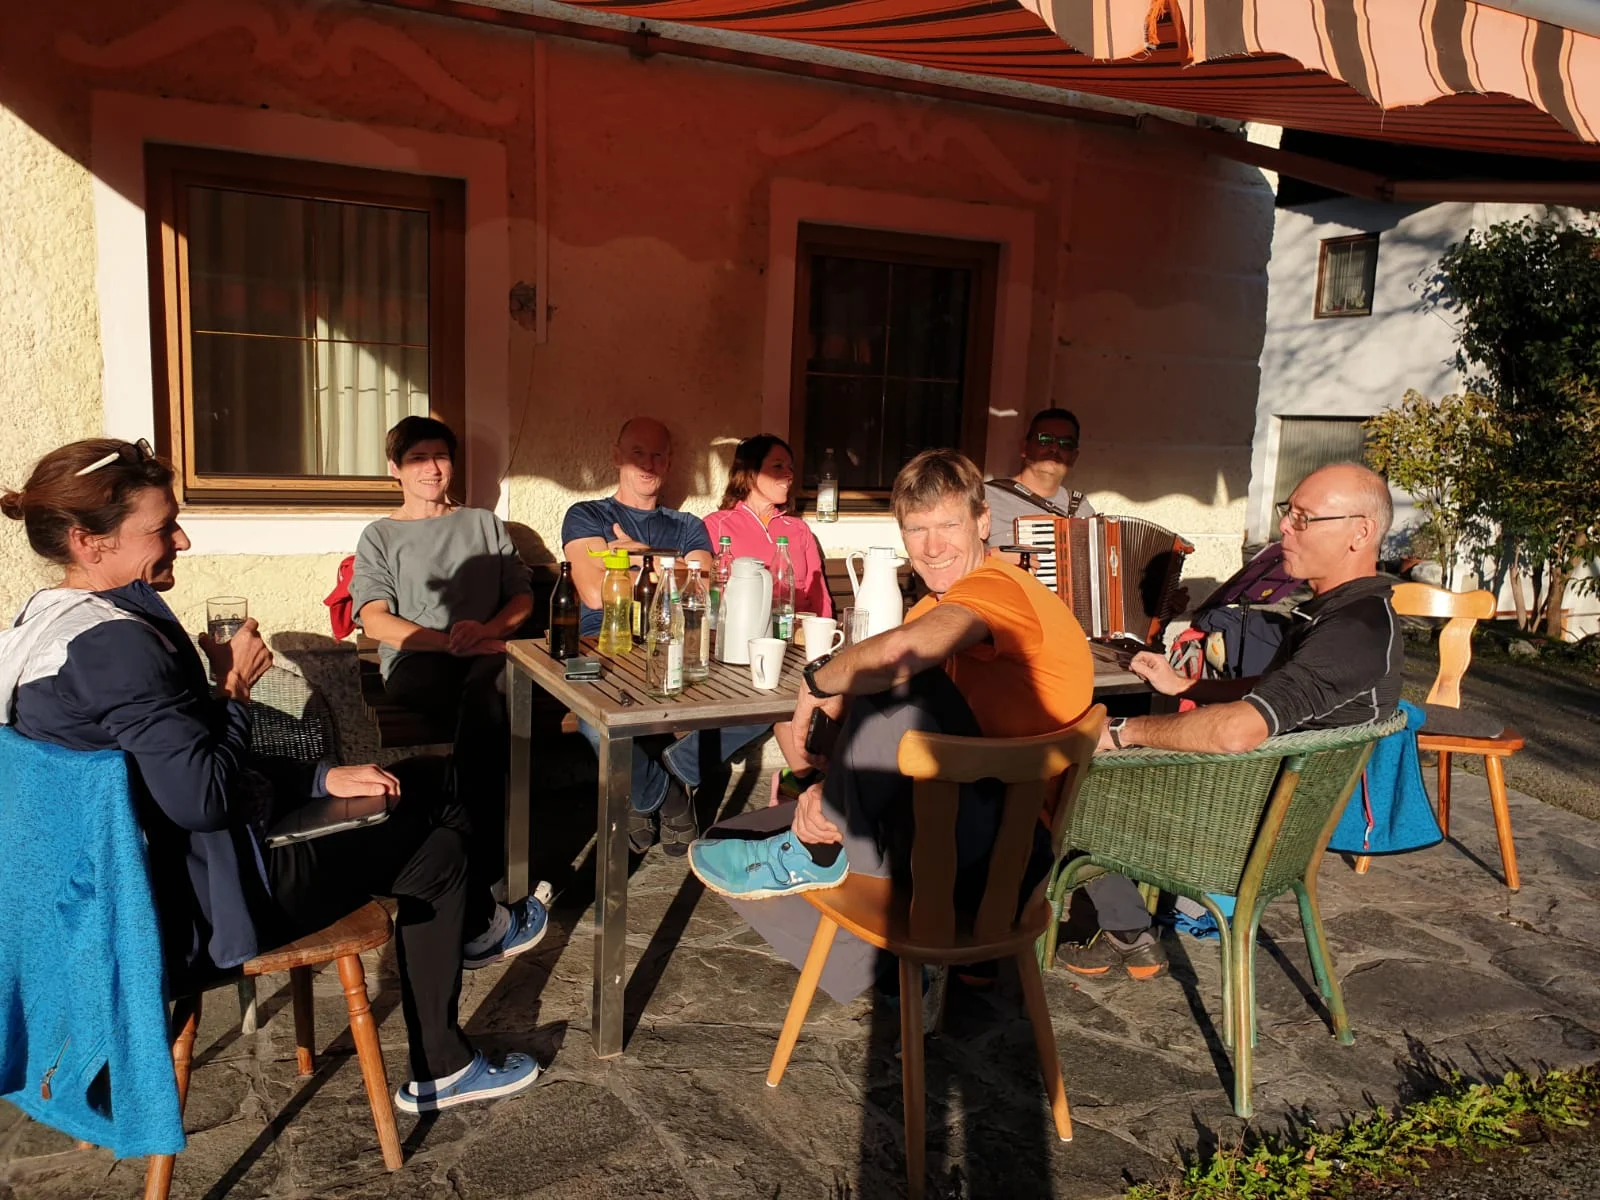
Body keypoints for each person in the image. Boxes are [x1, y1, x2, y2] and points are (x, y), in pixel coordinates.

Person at [0, 439, 548, 1113]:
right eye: (162, 528)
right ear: (89, 542)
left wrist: (319, 779)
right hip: (201, 905)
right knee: (438, 844)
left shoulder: (46, 622)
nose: (182, 540)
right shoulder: (116, 648)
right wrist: (233, 689)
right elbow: (203, 797)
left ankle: (471, 952)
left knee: (425, 782)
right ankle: (461, 993)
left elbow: (173, 758)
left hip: (143, 885)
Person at [687, 449, 1096, 1001]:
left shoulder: (1001, 588)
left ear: (982, 522)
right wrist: (823, 785)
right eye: (916, 529)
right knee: (725, 842)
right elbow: (888, 720)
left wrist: (819, 680)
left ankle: (873, 929)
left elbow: (901, 656)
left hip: (1002, 859)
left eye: (948, 525)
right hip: (939, 835)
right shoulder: (932, 609)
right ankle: (898, 966)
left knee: (902, 678)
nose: (933, 546)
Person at [1056, 462, 1402, 980]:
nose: (1284, 527)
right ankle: (1121, 926)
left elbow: (1240, 730)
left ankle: (1109, 931)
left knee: (1055, 773)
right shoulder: (1348, 613)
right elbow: (1277, 689)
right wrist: (1186, 686)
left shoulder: (1352, 632)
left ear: (1361, 532)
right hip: (1268, 813)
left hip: (1232, 831)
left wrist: (1121, 734)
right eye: (1289, 512)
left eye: (1304, 518)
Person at [561, 417, 763, 855]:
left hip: (679, 645)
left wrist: (637, 557)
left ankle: (674, 770)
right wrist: (671, 567)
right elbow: (594, 592)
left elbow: (703, 587)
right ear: (617, 456)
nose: (648, 464)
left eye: (657, 455)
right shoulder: (587, 515)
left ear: (669, 463)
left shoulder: (687, 524)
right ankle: (665, 796)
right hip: (607, 646)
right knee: (595, 722)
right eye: (638, 453)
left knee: (764, 698)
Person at [351, 416, 534, 901]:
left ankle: (471, 855)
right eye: (417, 459)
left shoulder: (483, 524)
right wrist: (449, 642)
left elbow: (522, 597)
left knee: (489, 694)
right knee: (488, 709)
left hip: (487, 654)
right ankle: (489, 860)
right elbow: (375, 620)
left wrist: (486, 632)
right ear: (395, 468)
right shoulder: (380, 536)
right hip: (419, 659)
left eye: (441, 457)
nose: (432, 469)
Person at [703, 434, 832, 620]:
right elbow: (712, 595)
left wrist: (823, 630)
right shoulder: (717, 525)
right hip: (744, 628)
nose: (789, 474)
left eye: (790, 468)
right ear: (750, 473)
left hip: (798, 631)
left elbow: (819, 596)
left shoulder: (799, 529)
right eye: (778, 466)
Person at [983, 407, 1095, 551]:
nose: (1054, 448)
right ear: (1025, 448)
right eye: (1045, 439)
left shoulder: (1081, 508)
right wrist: (993, 555)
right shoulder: (985, 496)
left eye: (1066, 444)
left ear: (1074, 457)